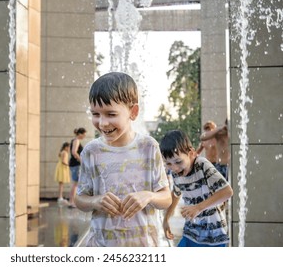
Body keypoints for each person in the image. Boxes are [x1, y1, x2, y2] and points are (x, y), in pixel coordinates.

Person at [75, 72, 172, 247]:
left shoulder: (149, 147)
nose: (102, 123)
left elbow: (166, 197)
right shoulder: (91, 151)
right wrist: (95, 200)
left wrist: (148, 196)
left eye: (111, 114)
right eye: (95, 114)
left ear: (133, 112)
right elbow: (80, 198)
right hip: (102, 245)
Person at [160, 130, 233, 247]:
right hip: (191, 232)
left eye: (178, 161)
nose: (175, 168)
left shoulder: (202, 165)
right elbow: (176, 194)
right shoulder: (176, 173)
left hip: (213, 236)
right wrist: (166, 219)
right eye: (168, 164)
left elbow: (227, 192)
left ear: (191, 154)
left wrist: (198, 208)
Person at [68, 127, 87, 208]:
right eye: (84, 134)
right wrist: (81, 161)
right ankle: (72, 202)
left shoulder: (74, 140)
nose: (84, 136)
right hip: (75, 164)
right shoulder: (76, 141)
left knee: (75, 184)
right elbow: (74, 152)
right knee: (75, 184)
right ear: (80, 134)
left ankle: (72, 201)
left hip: (74, 164)